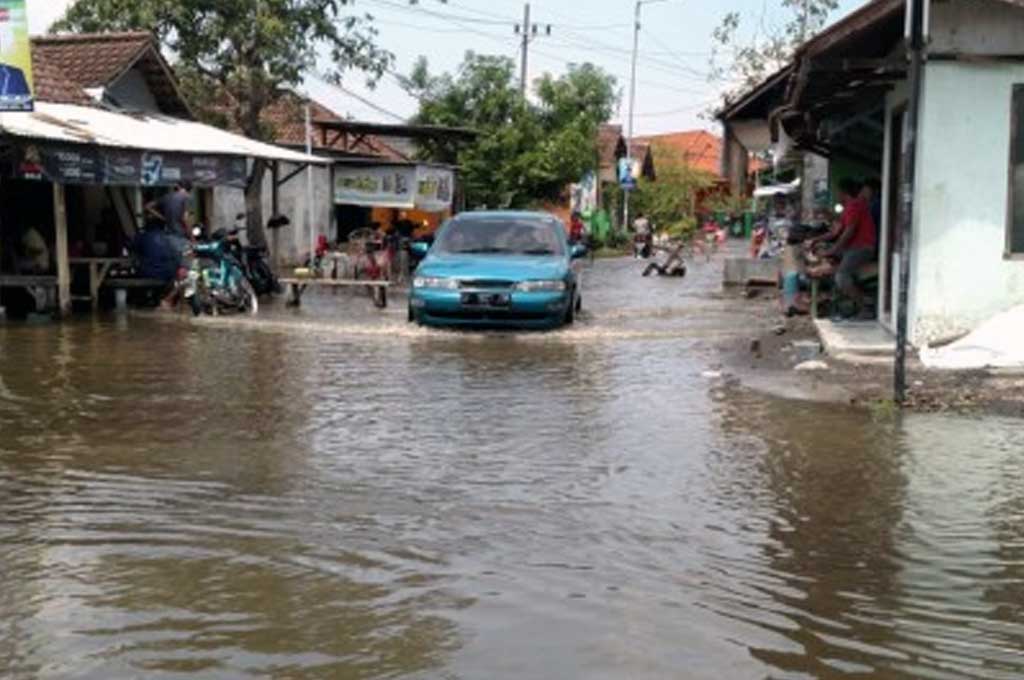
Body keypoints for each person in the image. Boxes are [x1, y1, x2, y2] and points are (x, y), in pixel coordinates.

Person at [821, 178, 877, 316]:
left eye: (837, 192)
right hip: (853, 247)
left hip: (862, 248)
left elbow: (848, 232)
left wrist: (833, 249)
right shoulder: (849, 208)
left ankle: (865, 307)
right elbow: (836, 231)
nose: (836, 195)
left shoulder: (854, 206)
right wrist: (815, 240)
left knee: (841, 277)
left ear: (843, 192)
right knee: (829, 262)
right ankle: (842, 301)